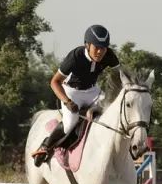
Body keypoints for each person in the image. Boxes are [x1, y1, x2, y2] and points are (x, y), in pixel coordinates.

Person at [32, 24, 120, 167]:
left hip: (93, 91)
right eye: (96, 47)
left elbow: (120, 76)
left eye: (103, 48)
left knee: (112, 111)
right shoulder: (75, 57)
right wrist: (67, 101)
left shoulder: (109, 55)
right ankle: (45, 147)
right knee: (70, 123)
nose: (99, 52)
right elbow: (54, 82)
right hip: (72, 92)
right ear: (87, 45)